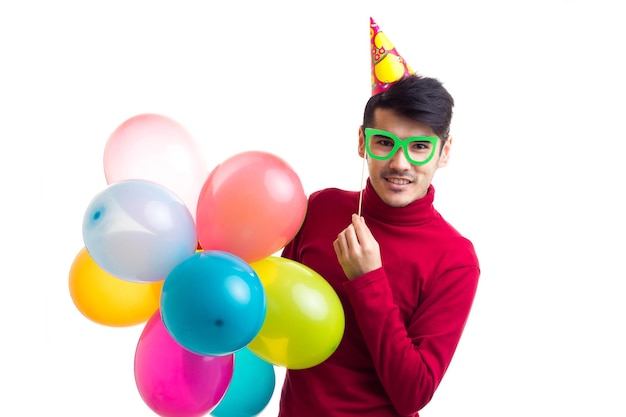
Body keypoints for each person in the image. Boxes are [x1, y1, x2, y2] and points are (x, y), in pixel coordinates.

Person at [277, 19, 479, 417]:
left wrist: (368, 281)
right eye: (384, 142)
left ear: (445, 151)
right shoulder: (320, 208)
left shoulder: (455, 259)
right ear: (361, 142)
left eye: (419, 146)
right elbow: (272, 313)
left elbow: (413, 393)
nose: (400, 163)